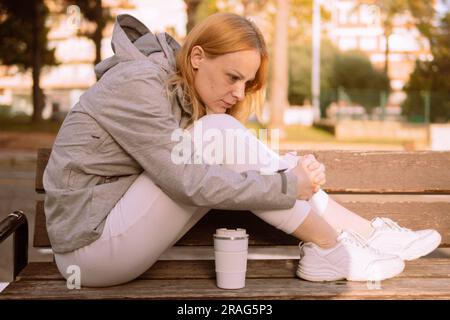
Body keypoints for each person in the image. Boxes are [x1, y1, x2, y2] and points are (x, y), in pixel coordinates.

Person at [44, 13, 441, 287]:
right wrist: (289, 184)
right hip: (88, 251)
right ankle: (333, 246)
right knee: (218, 131)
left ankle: (362, 235)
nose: (238, 92)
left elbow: (230, 156)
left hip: (115, 230)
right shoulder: (138, 85)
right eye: (233, 77)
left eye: (246, 83)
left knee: (220, 131)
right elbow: (189, 182)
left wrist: (289, 169)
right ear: (196, 57)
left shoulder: (176, 87)